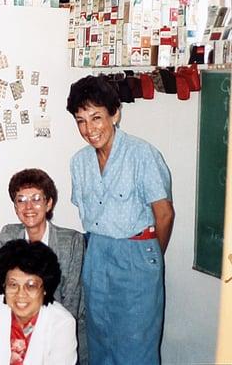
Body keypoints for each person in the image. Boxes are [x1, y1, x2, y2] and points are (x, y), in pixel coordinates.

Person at [67, 75, 175, 364]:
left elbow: (164, 214)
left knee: (135, 349)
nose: (89, 129)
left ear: (115, 114)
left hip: (136, 254)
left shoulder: (143, 154)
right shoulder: (78, 162)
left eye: (96, 117)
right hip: (97, 256)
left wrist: (148, 257)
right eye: (81, 120)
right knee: (100, 343)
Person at [0, 168, 87, 364]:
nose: (28, 206)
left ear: (49, 203)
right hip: (20, 325)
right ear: (15, 207)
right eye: (20, 200)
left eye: (36, 199)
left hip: (60, 329)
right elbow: (6, 291)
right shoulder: (8, 235)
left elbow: (71, 302)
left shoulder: (71, 241)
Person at [0, 239, 77, 365]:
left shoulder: (62, 322)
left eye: (31, 286)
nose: (20, 294)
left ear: (45, 288)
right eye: (13, 284)